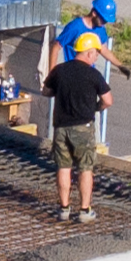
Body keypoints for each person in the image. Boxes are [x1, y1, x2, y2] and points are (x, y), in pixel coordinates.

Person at [39, 31, 115, 221]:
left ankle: (64, 208)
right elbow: (108, 100)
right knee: (85, 168)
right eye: (96, 53)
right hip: (83, 127)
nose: (96, 57)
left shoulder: (60, 70)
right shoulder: (93, 74)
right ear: (89, 53)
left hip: (61, 127)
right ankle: (84, 210)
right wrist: (96, 108)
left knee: (63, 167)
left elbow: (46, 91)